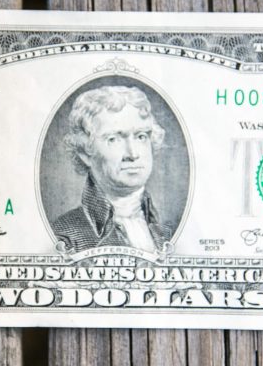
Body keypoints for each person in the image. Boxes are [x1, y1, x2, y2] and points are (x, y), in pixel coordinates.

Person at [52, 85, 176, 253]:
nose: (132, 154)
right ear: (85, 152)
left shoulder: (166, 230)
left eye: (141, 136)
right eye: (113, 139)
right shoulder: (64, 234)